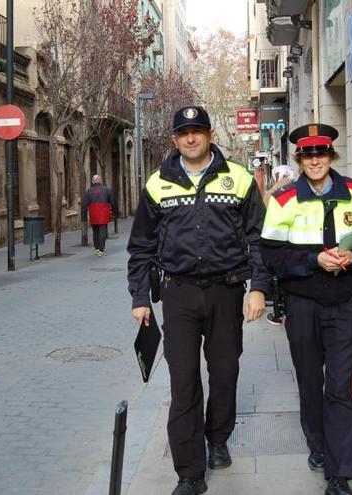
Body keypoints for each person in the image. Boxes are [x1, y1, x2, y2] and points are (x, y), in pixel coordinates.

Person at [127, 106, 269, 495]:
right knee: (183, 380)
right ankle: (189, 473)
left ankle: (218, 437)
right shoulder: (158, 184)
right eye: (183, 132)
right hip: (179, 295)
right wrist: (140, 297)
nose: (191, 138)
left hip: (226, 292)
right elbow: (140, 247)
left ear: (209, 135)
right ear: (175, 139)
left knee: (225, 371)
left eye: (198, 131)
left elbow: (259, 238)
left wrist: (258, 287)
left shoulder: (238, 178)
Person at [259, 123, 352, 495]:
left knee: (340, 386)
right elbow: (272, 255)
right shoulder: (283, 201)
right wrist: (314, 260)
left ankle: (340, 470)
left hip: (344, 307)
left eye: (321, 153)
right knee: (310, 382)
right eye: (307, 155)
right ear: (299, 160)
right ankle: (317, 444)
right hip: (301, 307)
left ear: (332, 156)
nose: (315, 160)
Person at [81, 174, 118, 256]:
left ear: (92, 181)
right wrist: (115, 213)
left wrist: (83, 218)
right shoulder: (107, 190)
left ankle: (97, 249)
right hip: (104, 213)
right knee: (103, 231)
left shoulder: (88, 191)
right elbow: (113, 202)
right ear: (100, 181)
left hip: (93, 214)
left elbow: (84, 205)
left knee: (95, 231)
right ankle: (101, 250)